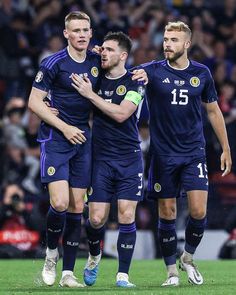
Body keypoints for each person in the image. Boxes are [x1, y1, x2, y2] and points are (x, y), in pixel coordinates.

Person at [140, 21, 232, 287]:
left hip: (193, 152)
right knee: (167, 212)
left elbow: (213, 111)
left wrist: (226, 148)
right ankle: (171, 271)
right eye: (166, 39)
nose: (167, 43)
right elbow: (122, 72)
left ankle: (188, 257)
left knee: (198, 210)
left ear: (187, 44)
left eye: (173, 40)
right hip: (162, 154)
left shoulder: (201, 73)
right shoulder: (152, 70)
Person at [28, 11, 101, 288]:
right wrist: (63, 126)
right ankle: (51, 256)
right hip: (57, 138)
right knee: (58, 202)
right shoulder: (53, 63)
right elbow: (34, 102)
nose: (81, 34)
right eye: (76, 30)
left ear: (91, 33)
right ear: (66, 34)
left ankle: (68, 274)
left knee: (77, 206)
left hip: (83, 138)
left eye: (86, 30)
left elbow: (119, 67)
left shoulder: (97, 60)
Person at [71, 31, 146, 288]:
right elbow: (83, 54)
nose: (104, 53)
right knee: (95, 219)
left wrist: (91, 95)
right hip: (100, 158)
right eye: (103, 49)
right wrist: (94, 50)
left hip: (129, 159)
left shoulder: (136, 81)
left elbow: (122, 114)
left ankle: (122, 275)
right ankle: (94, 255)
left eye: (110, 50)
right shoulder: (96, 75)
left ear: (123, 55)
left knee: (126, 214)